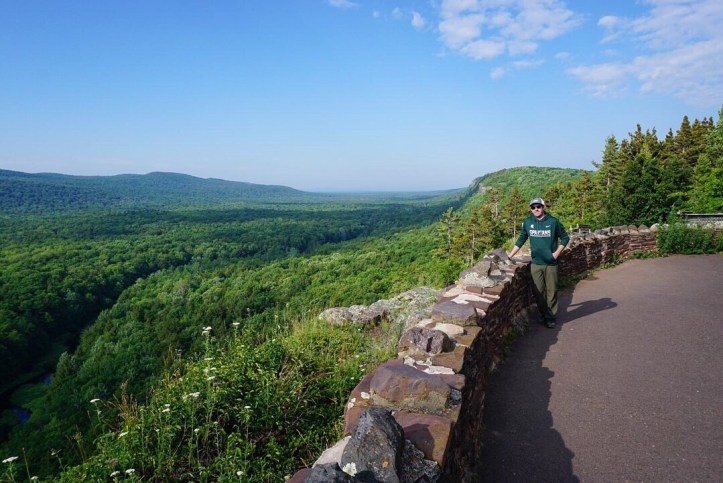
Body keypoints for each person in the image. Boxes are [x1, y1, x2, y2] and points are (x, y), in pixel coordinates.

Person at [508, 197, 569, 328]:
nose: (536, 209)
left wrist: (556, 254)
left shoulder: (553, 222)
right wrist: (510, 256)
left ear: (543, 207)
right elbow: (521, 239)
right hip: (536, 263)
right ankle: (543, 313)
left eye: (538, 206)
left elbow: (565, 238)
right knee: (538, 292)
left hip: (551, 264)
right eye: (533, 207)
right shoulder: (528, 222)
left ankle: (550, 317)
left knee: (551, 292)